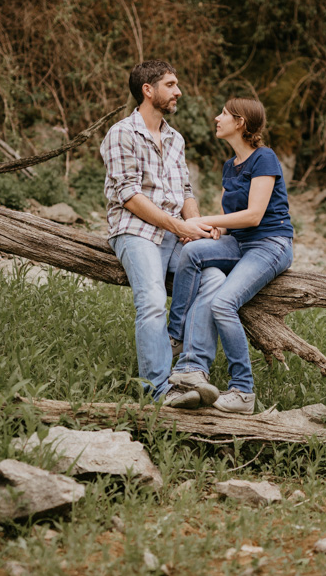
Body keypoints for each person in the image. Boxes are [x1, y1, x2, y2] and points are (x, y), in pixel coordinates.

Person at [101, 60, 225, 407]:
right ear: (148, 90)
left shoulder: (175, 138)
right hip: (136, 232)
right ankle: (157, 392)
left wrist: (195, 225)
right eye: (171, 84)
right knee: (153, 301)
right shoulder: (122, 133)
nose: (178, 91)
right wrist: (178, 226)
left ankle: (189, 370)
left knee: (214, 279)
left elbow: (185, 191)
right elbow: (128, 196)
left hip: (174, 234)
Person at [165, 98, 294, 414]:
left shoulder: (264, 158)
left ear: (240, 122)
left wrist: (203, 220)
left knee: (223, 302)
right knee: (193, 250)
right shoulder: (229, 166)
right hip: (240, 242)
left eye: (223, 113)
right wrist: (207, 231)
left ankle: (243, 392)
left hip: (270, 244)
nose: (216, 117)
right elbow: (232, 219)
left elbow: (253, 216)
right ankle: (177, 337)